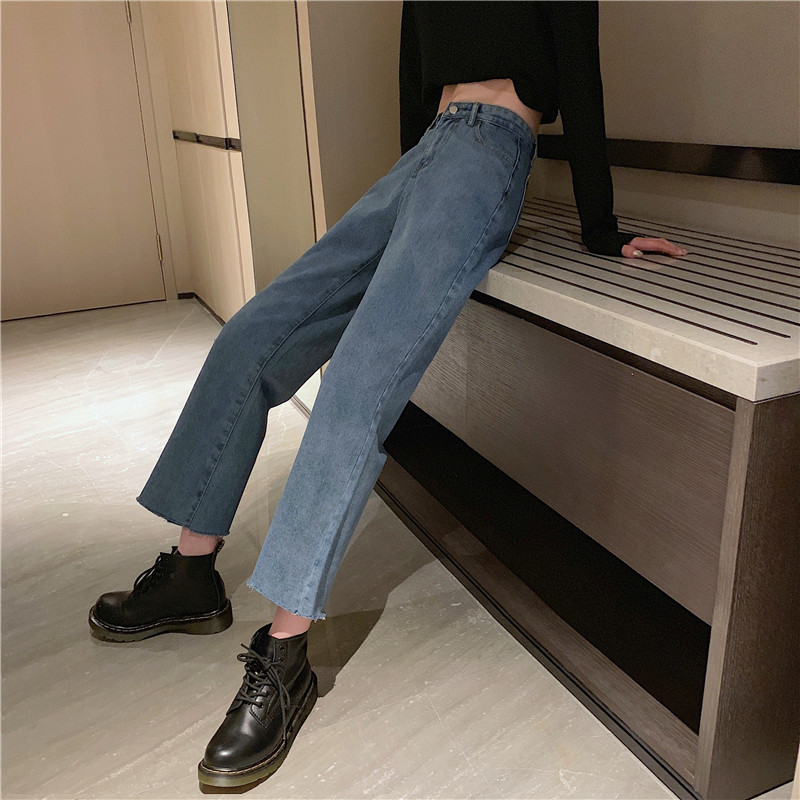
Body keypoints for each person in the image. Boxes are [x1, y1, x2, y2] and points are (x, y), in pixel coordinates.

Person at [88, 1, 687, 789]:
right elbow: (413, 75)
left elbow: (579, 68)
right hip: (429, 156)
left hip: (492, 154)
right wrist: (415, 191)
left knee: (356, 382)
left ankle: (285, 655)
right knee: (248, 340)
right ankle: (192, 574)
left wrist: (600, 224)